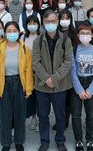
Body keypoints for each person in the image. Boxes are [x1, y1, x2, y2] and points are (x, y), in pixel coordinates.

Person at [32, 9, 72, 151]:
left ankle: (60, 141)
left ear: (58, 22)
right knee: (43, 115)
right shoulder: (38, 40)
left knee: (60, 116)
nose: (50, 24)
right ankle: (44, 141)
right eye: (47, 21)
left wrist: (54, 78)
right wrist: (46, 78)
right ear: (43, 22)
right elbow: (35, 62)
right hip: (42, 86)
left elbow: (67, 62)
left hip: (60, 85)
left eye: (53, 21)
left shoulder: (66, 40)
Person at [0, 21, 34, 151]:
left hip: (20, 82)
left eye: (14, 30)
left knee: (20, 114)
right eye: (9, 31)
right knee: (5, 115)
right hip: (4, 83)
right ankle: (6, 142)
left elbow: (28, 69)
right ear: (5, 32)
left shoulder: (24, 48)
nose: (12, 33)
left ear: (18, 32)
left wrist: (28, 88)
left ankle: (19, 141)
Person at [70, 23, 93, 151]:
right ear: (78, 35)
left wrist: (90, 89)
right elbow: (72, 71)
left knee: (91, 115)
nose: (85, 35)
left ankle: (89, 139)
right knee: (76, 115)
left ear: (92, 35)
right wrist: (79, 90)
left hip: (91, 82)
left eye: (87, 33)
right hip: (77, 82)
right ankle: (78, 140)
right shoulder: (74, 49)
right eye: (82, 33)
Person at [55, 9, 76, 130]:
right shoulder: (55, 33)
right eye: (62, 18)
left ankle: (65, 120)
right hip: (58, 70)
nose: (64, 21)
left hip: (71, 70)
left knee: (68, 98)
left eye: (67, 18)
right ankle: (60, 120)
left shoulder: (74, 34)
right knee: (59, 99)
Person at [22, 15, 41, 132]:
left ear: (38, 24)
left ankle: (40, 119)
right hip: (27, 72)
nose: (32, 25)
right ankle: (33, 118)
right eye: (30, 23)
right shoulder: (23, 37)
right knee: (31, 96)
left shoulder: (41, 36)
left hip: (39, 71)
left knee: (40, 97)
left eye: (34, 23)